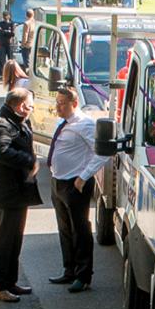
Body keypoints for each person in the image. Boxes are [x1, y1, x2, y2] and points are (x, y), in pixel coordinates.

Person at [0, 85, 41, 302]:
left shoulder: (18, 122)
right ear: (19, 106)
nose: (32, 110)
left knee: (15, 239)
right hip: (6, 193)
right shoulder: (1, 125)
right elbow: (1, 152)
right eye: (30, 106)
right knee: (4, 239)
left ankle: (9, 282)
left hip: (18, 192)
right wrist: (29, 161)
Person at [45, 86, 101, 292]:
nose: (57, 106)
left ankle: (83, 275)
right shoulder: (63, 122)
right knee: (65, 229)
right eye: (56, 102)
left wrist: (83, 177)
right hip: (58, 181)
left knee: (80, 230)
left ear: (74, 104)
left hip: (74, 184)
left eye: (61, 103)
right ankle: (69, 270)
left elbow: (102, 153)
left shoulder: (85, 124)